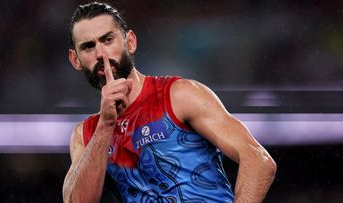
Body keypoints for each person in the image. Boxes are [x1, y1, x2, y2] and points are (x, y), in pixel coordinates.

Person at [62, 2, 277, 203]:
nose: (101, 54)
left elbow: (258, 161)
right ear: (75, 60)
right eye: (88, 47)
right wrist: (106, 125)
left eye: (108, 40)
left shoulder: (179, 95)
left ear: (130, 42)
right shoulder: (86, 134)